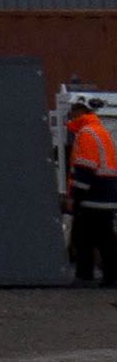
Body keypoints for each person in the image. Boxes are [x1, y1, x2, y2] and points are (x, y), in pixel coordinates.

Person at [67, 94, 117, 286]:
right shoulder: (101, 131)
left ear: (81, 111)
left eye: (73, 110)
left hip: (92, 196)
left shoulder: (86, 133)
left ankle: (85, 275)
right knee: (104, 238)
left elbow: (84, 168)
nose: (70, 114)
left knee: (84, 238)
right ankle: (108, 276)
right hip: (106, 193)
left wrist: (75, 197)